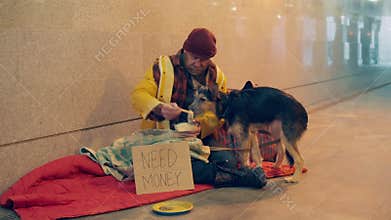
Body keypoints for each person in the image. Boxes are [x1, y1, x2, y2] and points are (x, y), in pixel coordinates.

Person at [131, 28, 266, 188]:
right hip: (163, 138)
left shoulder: (217, 77)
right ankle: (233, 177)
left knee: (227, 160)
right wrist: (160, 108)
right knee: (170, 164)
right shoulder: (164, 67)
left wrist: (200, 126)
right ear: (185, 50)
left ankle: (224, 174)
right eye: (194, 58)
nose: (199, 64)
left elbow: (218, 115)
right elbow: (138, 95)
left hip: (199, 139)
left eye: (204, 60)